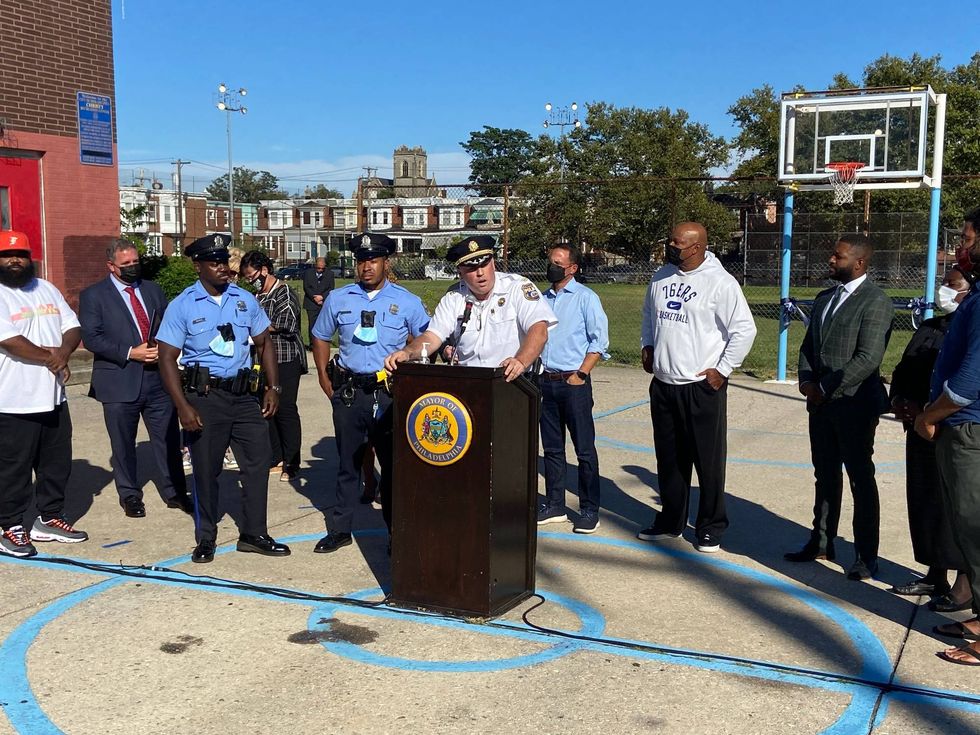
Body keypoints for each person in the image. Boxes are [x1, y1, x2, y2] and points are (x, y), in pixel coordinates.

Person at [156, 234, 290, 563]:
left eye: (224, 262)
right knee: (206, 469)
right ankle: (206, 538)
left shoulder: (243, 299)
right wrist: (182, 406)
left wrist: (273, 388)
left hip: (244, 397)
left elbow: (264, 343)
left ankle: (254, 533)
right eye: (214, 263)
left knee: (258, 465)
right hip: (205, 398)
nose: (223, 268)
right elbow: (166, 358)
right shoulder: (183, 305)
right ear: (197, 265)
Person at [637, 222, 756, 553]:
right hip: (664, 384)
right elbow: (649, 313)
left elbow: (744, 330)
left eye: (678, 244)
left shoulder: (720, 283)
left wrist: (722, 370)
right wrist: (648, 345)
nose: (671, 248)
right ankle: (671, 520)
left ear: (698, 247)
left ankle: (710, 526)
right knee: (670, 459)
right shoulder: (661, 276)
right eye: (670, 241)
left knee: (708, 460)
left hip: (701, 386)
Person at [311, 233, 429, 553]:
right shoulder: (339, 298)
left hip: (389, 393)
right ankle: (340, 529)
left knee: (392, 466)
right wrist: (324, 379)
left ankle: (395, 531)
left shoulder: (406, 301)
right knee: (348, 462)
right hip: (349, 392)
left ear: (385, 263)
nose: (366, 267)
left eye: (373, 261)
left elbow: (428, 341)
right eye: (361, 261)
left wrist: (413, 363)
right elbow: (320, 336)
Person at [785, 233, 893, 581]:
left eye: (838, 256)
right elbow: (808, 346)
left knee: (861, 478)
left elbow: (868, 358)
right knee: (824, 474)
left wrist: (825, 387)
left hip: (854, 404)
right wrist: (805, 382)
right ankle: (821, 541)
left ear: (859, 263)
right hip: (820, 405)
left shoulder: (875, 301)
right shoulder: (824, 298)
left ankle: (865, 556)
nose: (831, 261)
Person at [78, 238, 192, 518]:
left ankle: (175, 491)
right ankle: (129, 495)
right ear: (111, 266)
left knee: (167, 438)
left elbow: (168, 325)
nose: (132, 267)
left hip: (157, 379)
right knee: (123, 443)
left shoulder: (152, 290)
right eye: (126, 264)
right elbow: (91, 337)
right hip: (118, 380)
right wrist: (131, 352)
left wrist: (164, 350)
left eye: (135, 262)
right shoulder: (94, 295)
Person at [914, 206, 980, 665]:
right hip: (963, 425)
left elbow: (972, 379)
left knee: (975, 531)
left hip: (968, 429)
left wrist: (931, 414)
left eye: (966, 238)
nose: (961, 246)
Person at [0, 230, 87, 557]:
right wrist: (52, 357)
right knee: (13, 468)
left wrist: (63, 352)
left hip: (53, 397)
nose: (14, 261)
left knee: (56, 463)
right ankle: (10, 525)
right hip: (12, 400)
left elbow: (72, 326)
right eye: (7, 256)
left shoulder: (46, 289)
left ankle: (49, 518)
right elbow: (8, 340)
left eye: (21, 255)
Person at [889, 266, 972, 609]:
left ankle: (964, 584)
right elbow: (903, 369)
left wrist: (928, 408)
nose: (944, 291)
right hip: (919, 429)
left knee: (958, 508)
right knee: (925, 503)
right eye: (944, 284)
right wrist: (899, 401)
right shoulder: (929, 327)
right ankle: (933, 572)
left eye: (952, 285)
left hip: (949, 427)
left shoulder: (968, 330)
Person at [384, 234, 557, 378]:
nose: (480, 273)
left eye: (484, 265)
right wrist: (408, 352)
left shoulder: (517, 287)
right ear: (460, 273)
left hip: (512, 379)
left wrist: (520, 361)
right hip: (470, 381)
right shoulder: (454, 297)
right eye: (472, 269)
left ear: (493, 263)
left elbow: (539, 331)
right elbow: (432, 336)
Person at [536, 242, 609, 534]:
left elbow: (599, 341)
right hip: (546, 381)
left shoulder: (586, 298)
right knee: (552, 448)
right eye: (550, 260)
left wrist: (581, 373)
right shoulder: (541, 299)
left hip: (573, 382)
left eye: (558, 262)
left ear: (572, 268)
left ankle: (589, 509)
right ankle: (555, 504)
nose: (552, 266)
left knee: (584, 450)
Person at [240, 250, 303, 482]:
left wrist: (256, 331)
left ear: (264, 270)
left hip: (285, 358)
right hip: (261, 360)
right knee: (267, 409)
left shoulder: (283, 292)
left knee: (285, 408)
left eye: (251, 275)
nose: (250, 280)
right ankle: (275, 457)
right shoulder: (258, 296)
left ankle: (292, 461)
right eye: (246, 277)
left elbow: (286, 323)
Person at [302, 257, 334, 350]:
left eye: (322, 268)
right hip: (311, 303)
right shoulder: (308, 273)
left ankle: (322, 343)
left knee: (323, 324)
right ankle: (313, 344)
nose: (320, 270)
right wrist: (314, 297)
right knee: (312, 324)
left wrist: (322, 297)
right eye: (318, 268)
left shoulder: (329, 274)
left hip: (323, 303)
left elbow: (331, 288)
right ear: (315, 265)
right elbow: (306, 287)